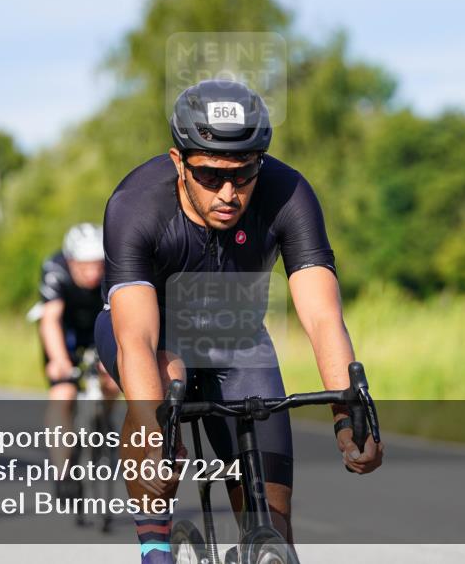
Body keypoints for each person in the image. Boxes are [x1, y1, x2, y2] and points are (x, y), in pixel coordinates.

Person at [95, 80, 384, 563]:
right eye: (210, 176)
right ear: (178, 161)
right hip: (153, 335)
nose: (229, 193)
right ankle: (155, 548)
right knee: (165, 383)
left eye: (244, 174)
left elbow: (322, 317)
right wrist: (153, 434)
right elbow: (136, 340)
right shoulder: (135, 205)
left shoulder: (289, 194)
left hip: (237, 338)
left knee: (274, 529)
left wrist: (347, 413)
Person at [34, 223, 120, 495]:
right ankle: (63, 472)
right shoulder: (55, 269)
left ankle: (103, 420)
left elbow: (124, 317)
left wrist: (113, 358)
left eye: (97, 265)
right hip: (66, 331)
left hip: (100, 327)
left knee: (113, 381)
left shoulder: (115, 268)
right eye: (84, 267)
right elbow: (50, 320)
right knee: (63, 394)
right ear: (71, 262)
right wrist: (59, 360)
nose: (93, 273)